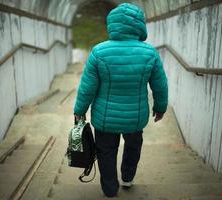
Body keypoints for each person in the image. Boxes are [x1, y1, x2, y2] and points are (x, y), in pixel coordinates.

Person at [73, 3, 168, 198]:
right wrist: (160, 106)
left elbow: (87, 87)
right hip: (136, 117)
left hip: (105, 118)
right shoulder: (150, 53)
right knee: (133, 146)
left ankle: (110, 188)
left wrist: (80, 109)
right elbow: (160, 85)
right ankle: (127, 177)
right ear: (140, 25)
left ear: (112, 24)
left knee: (106, 151)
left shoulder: (99, 52)